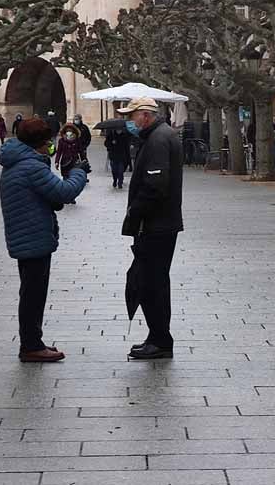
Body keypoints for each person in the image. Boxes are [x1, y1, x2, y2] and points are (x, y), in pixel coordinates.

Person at [0, 117, 89, 362]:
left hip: (24, 234)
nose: (50, 145)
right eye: (48, 141)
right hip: (32, 237)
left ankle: (32, 341)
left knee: (31, 292)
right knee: (33, 295)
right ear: (38, 143)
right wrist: (79, 173)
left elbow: (45, 196)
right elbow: (64, 192)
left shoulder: (16, 162)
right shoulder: (31, 167)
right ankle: (31, 346)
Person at [118, 97, 184, 360]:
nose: (130, 122)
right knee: (152, 281)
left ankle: (160, 340)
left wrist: (135, 211)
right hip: (160, 223)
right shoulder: (159, 135)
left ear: (145, 115)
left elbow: (156, 185)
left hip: (156, 224)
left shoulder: (158, 140)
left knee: (152, 283)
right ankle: (157, 336)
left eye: (132, 116)